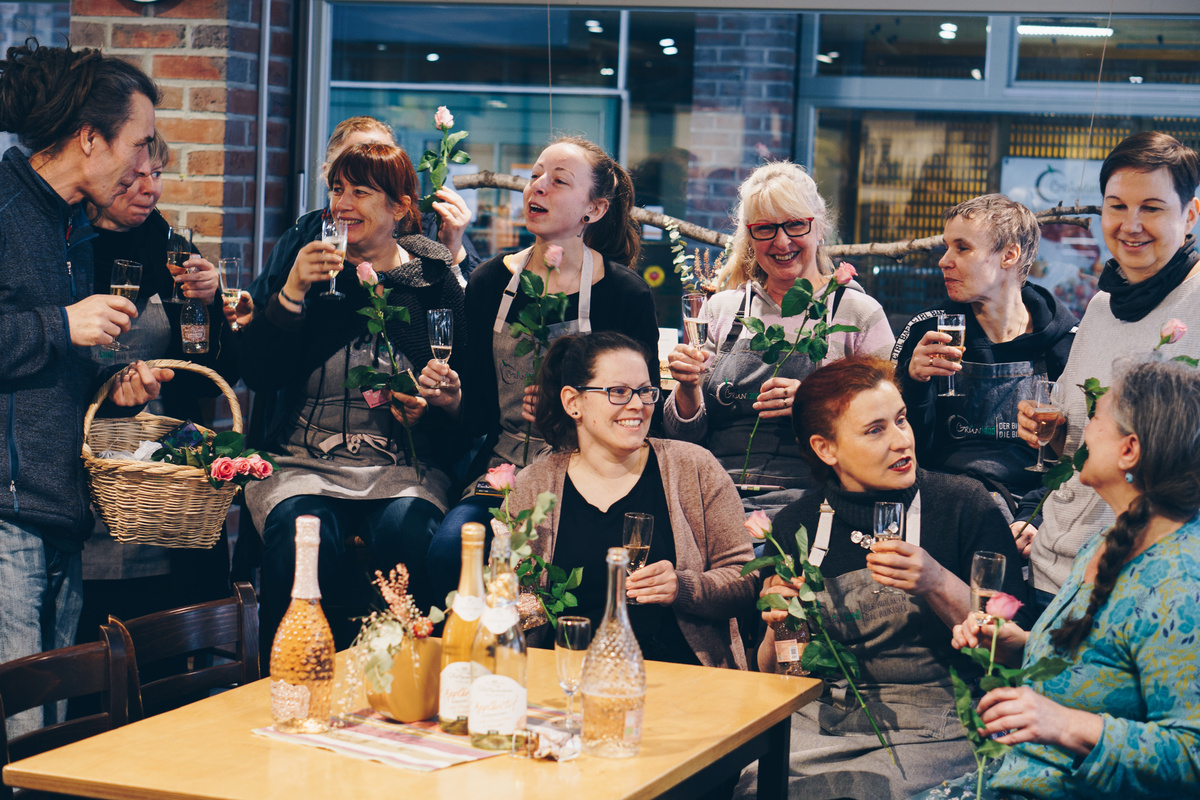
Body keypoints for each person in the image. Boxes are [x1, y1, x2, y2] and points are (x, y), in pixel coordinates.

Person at [737, 356, 1031, 800]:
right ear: (826, 449)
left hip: (940, 724)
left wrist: (936, 581)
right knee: (758, 787)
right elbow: (785, 675)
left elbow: (1016, 657)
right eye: (875, 430)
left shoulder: (962, 506)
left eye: (901, 420)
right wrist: (783, 627)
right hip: (822, 721)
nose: (901, 441)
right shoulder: (797, 525)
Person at [918, 357, 1200, 799]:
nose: (1083, 433)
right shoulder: (1107, 541)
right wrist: (1019, 645)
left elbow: (1191, 755)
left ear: (1129, 450)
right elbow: (1103, 668)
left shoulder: (1182, 582)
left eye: (1096, 419)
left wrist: (1066, 724)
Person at [0, 39, 171, 735]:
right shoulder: (5, 209)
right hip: (8, 515)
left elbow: (48, 361)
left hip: (60, 508)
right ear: (91, 139)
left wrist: (112, 382)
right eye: (141, 143)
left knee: (52, 737)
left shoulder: (70, 225)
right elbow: (49, 331)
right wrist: (61, 323)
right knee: (22, 736)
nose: (147, 163)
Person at [238, 142, 465, 652]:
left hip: (401, 465)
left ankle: (412, 671)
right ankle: (294, 673)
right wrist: (292, 292)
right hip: (304, 461)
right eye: (336, 189)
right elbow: (259, 374)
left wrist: (439, 404)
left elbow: (468, 406)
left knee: (411, 531)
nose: (341, 204)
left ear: (401, 206)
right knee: (300, 535)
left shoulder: (433, 279)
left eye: (360, 192)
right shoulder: (309, 267)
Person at [422, 135, 659, 599]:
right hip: (505, 468)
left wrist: (568, 413)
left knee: (575, 569)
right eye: (534, 176)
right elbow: (477, 419)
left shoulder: (624, 294)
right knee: (450, 552)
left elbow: (644, 407)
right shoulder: (490, 281)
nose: (537, 187)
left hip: (594, 470)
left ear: (594, 209)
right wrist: (451, 399)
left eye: (559, 180)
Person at [1016, 132, 1200, 608]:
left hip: (1142, 584)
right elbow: (1073, 443)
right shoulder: (1100, 306)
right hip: (1052, 568)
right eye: (1116, 206)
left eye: (1152, 208)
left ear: (1190, 215)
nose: (1130, 225)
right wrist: (1051, 431)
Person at [509, 332, 757, 668]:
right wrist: (520, 604)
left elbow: (745, 579)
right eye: (618, 392)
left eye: (645, 391)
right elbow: (515, 606)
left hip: (679, 675)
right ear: (573, 402)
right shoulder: (533, 487)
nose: (638, 404)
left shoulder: (693, 467)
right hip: (567, 675)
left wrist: (682, 587)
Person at [77, 132, 239, 642]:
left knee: (164, 634)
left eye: (158, 174)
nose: (150, 188)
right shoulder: (65, 248)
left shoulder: (173, 251)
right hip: (83, 464)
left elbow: (214, 375)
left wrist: (210, 306)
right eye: (135, 176)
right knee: (90, 640)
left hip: (162, 479)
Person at [665, 162, 894, 517]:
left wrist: (812, 405)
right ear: (749, 237)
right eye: (765, 228)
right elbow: (683, 439)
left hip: (813, 504)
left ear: (819, 226)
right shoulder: (722, 310)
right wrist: (687, 388)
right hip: (713, 495)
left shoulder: (858, 314)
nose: (782, 241)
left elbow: (887, 426)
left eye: (795, 224)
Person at [892, 194, 1077, 549]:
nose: (944, 261)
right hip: (938, 502)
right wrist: (914, 384)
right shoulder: (926, 333)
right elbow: (902, 448)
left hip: (1031, 509)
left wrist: (1034, 517)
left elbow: (1074, 458)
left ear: (1009, 255)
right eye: (946, 247)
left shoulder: (1066, 344)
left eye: (962, 248)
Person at [244, 115, 480, 318]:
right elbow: (262, 310)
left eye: (379, 158)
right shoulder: (304, 233)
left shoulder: (430, 228)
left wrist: (454, 249)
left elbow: (467, 315)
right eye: (350, 161)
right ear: (328, 174)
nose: (366, 165)